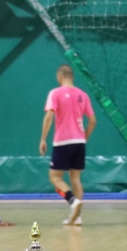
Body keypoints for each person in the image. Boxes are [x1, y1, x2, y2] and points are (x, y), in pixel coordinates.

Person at [41, 64, 96, 225]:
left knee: (55, 177)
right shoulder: (83, 95)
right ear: (72, 77)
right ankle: (77, 217)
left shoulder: (55, 93)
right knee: (76, 178)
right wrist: (84, 137)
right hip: (79, 142)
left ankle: (72, 200)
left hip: (63, 141)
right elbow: (93, 121)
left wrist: (43, 139)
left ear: (60, 77)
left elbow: (49, 116)